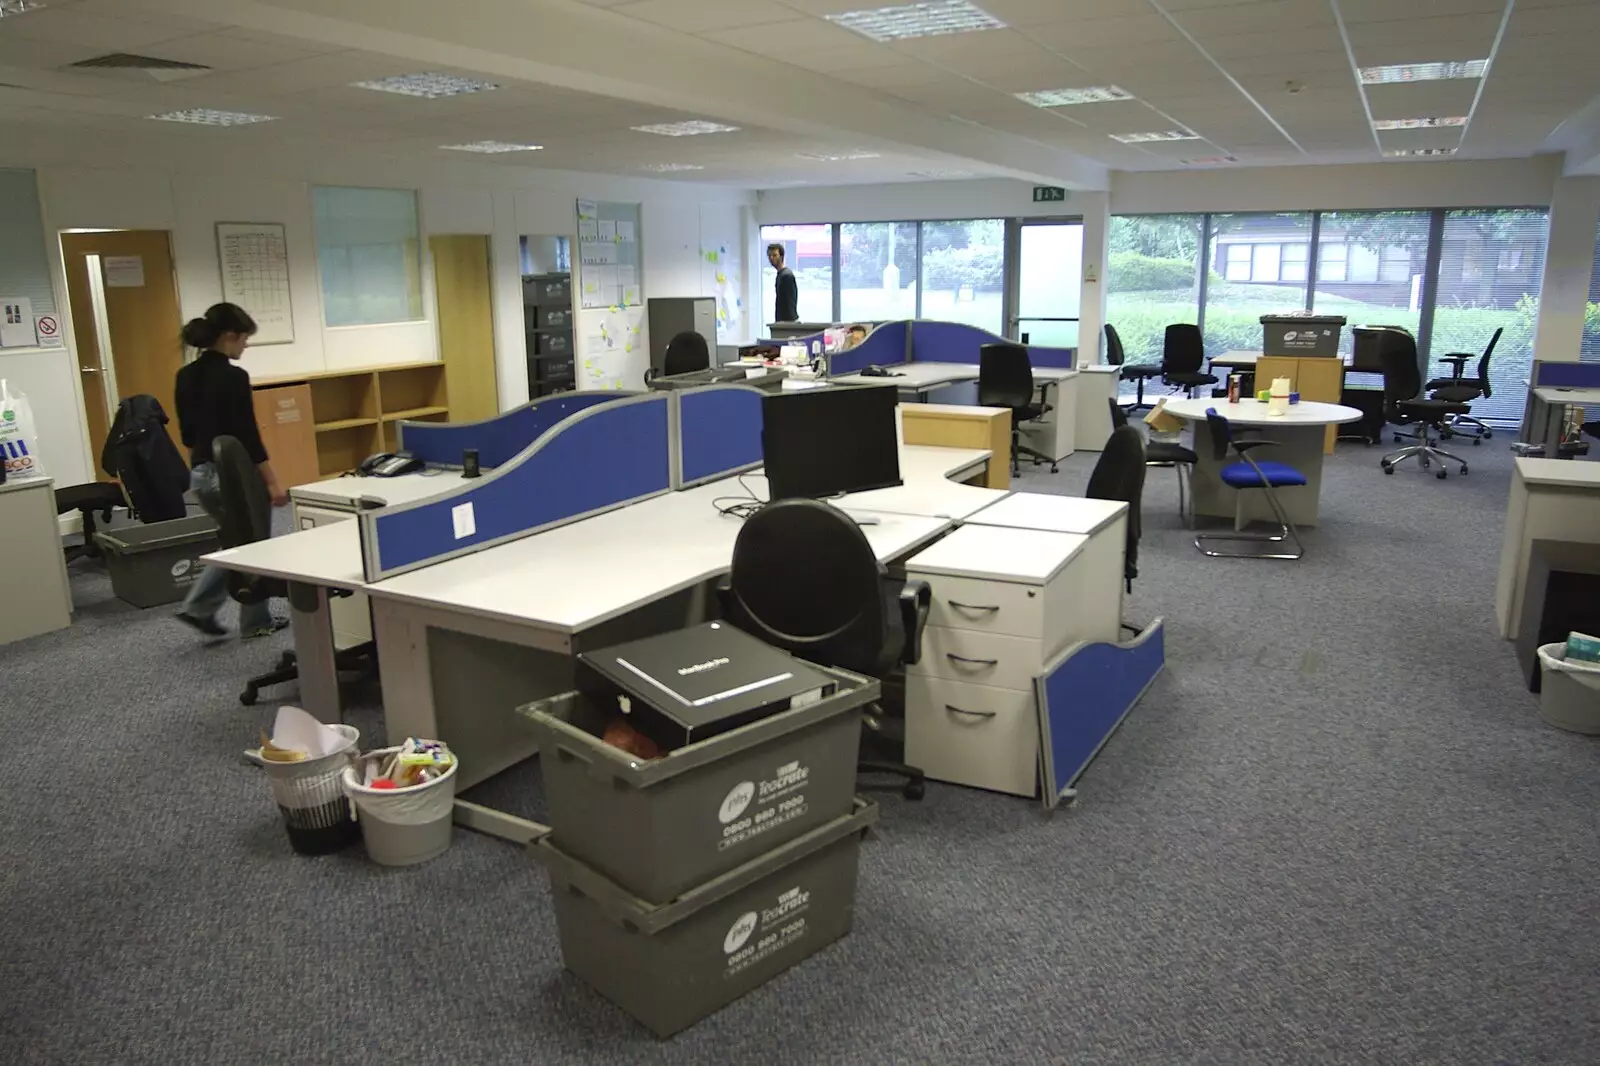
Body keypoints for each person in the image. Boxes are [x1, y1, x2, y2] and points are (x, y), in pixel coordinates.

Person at [172, 303, 287, 639]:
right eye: (244, 338)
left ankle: (208, 610)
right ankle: (243, 618)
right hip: (231, 477)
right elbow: (248, 437)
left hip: (201, 474)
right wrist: (273, 483)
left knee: (237, 543)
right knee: (252, 546)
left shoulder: (185, 375)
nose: (246, 345)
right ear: (228, 336)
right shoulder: (233, 377)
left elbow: (188, 436)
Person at [768, 243, 798, 323]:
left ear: (781, 257)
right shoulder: (780, 275)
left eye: (774, 255)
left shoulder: (787, 276)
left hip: (787, 324)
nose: (771, 258)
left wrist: (788, 325)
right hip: (781, 322)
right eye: (769, 255)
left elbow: (790, 303)